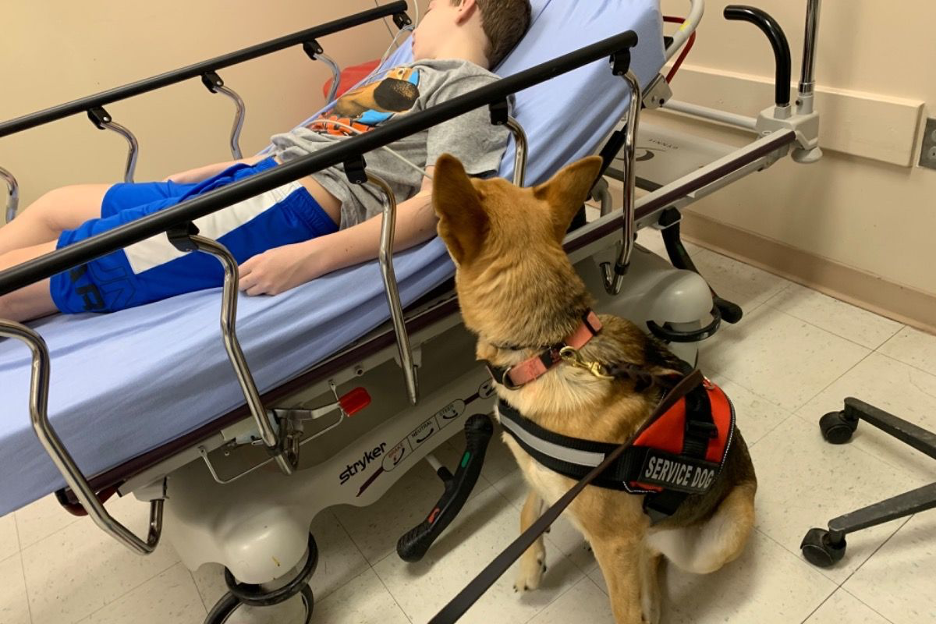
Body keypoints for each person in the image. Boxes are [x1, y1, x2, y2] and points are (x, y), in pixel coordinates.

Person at [0, 0, 532, 322]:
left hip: (290, 207)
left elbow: (438, 208)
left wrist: (311, 258)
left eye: (432, 8)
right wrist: (213, 172)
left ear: (464, 5)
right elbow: (309, 139)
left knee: (64, 267)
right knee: (55, 207)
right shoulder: (401, 78)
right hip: (255, 180)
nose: (416, 26)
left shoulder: (471, 87)